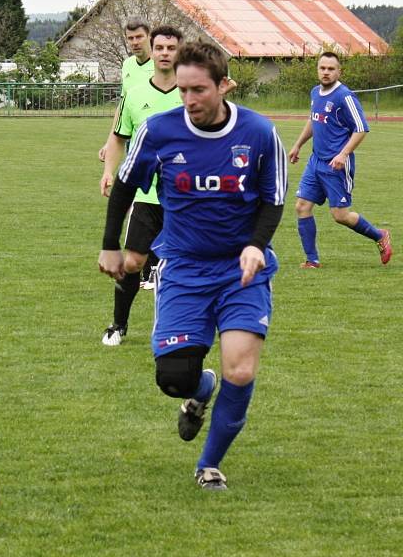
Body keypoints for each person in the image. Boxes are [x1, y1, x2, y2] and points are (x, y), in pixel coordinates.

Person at [98, 42, 287, 490]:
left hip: (241, 271)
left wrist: (257, 245)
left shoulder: (259, 133)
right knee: (173, 379)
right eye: (182, 90)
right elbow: (124, 186)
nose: (189, 100)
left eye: (198, 89)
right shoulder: (158, 131)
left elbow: (273, 199)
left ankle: (209, 465)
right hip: (182, 268)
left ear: (224, 85)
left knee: (240, 370)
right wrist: (111, 245)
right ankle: (199, 392)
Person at [98, 26, 184, 346]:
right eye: (159, 47)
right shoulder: (134, 95)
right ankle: (118, 325)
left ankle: (178, 328)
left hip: (184, 196)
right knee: (133, 262)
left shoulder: (191, 92)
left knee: (184, 265)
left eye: (170, 48)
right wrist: (109, 171)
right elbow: (118, 137)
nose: (164, 53)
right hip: (146, 193)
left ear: (179, 52)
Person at [288, 51, 392, 267]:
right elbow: (313, 119)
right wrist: (298, 144)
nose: (326, 72)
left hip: (335, 166)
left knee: (340, 215)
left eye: (330, 69)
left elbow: (361, 128)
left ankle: (379, 235)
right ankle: (312, 261)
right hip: (315, 161)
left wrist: (343, 154)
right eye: (322, 68)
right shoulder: (315, 92)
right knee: (302, 206)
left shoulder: (345, 96)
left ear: (338, 71)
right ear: (318, 69)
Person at [97, 18, 153, 164]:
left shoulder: (163, 65)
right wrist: (110, 141)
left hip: (159, 140)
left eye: (139, 37)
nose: (135, 42)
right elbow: (123, 107)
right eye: (130, 38)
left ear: (149, 37)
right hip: (133, 141)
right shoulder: (127, 65)